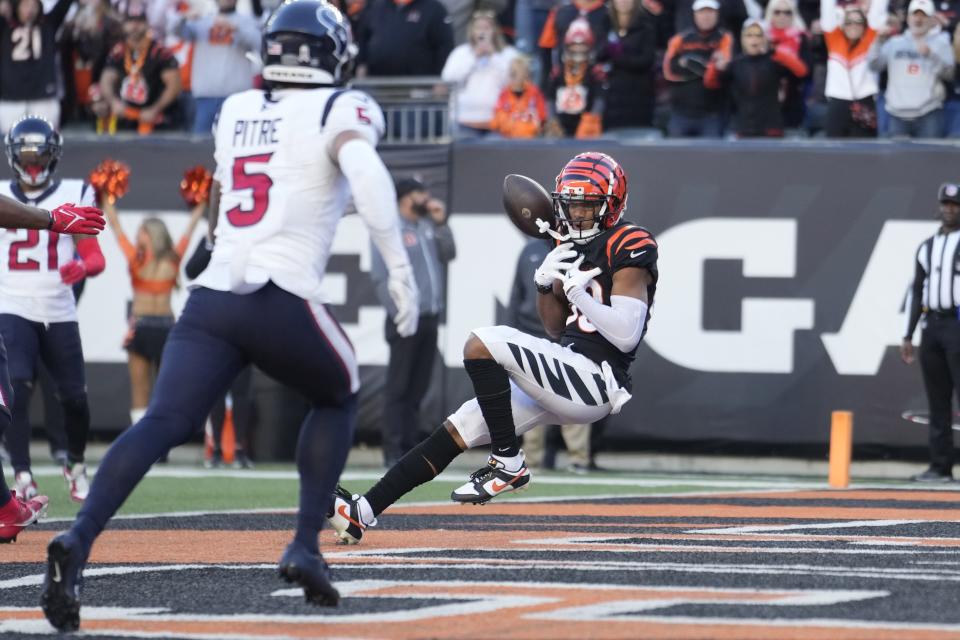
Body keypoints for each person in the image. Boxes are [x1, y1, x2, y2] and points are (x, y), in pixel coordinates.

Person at [41, 1, 419, 630]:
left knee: (163, 421)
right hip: (281, 294)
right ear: (329, 54)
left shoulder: (238, 109)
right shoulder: (339, 108)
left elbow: (247, 194)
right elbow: (367, 175)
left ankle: (78, 540)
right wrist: (398, 269)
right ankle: (304, 543)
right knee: (340, 393)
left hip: (214, 298)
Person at [328, 151, 657, 544]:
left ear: (611, 206)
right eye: (570, 205)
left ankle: (508, 461)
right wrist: (545, 284)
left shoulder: (630, 242)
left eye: (586, 206)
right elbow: (554, 327)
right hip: (569, 368)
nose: (576, 215)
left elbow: (626, 334)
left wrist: (579, 295)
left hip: (597, 380)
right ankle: (363, 511)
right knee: (461, 425)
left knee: (483, 342)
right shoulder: (565, 241)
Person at [0, 116, 105, 504]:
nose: (32, 166)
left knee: (75, 398)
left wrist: (82, 266)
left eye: (39, 157)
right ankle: (23, 474)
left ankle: (75, 464)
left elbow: (95, 256)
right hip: (11, 303)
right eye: (25, 157)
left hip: (59, 307)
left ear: (53, 156)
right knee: (18, 390)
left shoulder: (78, 191)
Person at [371, 177, 455, 467]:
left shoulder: (426, 226)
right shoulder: (390, 229)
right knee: (399, 388)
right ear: (406, 197)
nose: (427, 197)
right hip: (405, 318)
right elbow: (380, 278)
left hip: (429, 316)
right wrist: (400, 313)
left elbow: (449, 254)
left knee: (418, 387)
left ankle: (408, 447)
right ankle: (392, 448)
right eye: (421, 192)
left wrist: (442, 224)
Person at [102, 195, 204, 431]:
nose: (138, 235)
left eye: (142, 232)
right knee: (140, 387)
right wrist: (107, 199)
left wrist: (201, 205)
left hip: (166, 328)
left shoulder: (173, 258)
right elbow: (116, 229)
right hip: (143, 327)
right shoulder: (136, 259)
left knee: (166, 389)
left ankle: (161, 440)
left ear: (152, 235)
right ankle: (140, 436)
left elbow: (189, 230)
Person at [507, 237, 591, 472]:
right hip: (531, 333)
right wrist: (511, 332)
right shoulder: (531, 249)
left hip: (566, 334)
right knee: (531, 398)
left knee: (575, 394)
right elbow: (517, 294)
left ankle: (578, 458)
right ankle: (532, 460)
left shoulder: (579, 249)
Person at [901, 182, 960, 483]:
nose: (949, 209)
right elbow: (917, 291)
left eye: (955, 205)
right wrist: (908, 335)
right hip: (933, 326)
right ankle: (940, 466)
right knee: (938, 401)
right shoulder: (927, 247)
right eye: (946, 204)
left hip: (958, 323)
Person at [168, 0, 261, 134]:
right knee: (200, 148)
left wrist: (236, 29)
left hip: (236, 98)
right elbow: (173, 30)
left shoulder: (247, 21)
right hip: (205, 97)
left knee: (234, 143)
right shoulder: (202, 21)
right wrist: (184, 17)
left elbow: (260, 44)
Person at [704, 19, 808, 137]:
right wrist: (714, 66)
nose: (754, 40)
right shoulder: (735, 64)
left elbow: (802, 71)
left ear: (765, 39)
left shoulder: (774, 61)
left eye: (758, 35)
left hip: (771, 129)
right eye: (749, 35)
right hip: (742, 129)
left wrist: (775, 50)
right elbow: (710, 83)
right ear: (743, 39)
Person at [93, 1, 182, 135]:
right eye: (130, 21)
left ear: (147, 24)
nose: (134, 26)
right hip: (127, 118)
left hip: (155, 121)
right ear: (123, 25)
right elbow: (107, 78)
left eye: (139, 21)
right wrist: (113, 102)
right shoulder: (118, 52)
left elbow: (174, 85)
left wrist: (155, 109)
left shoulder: (160, 52)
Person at [869, 0, 955, 138]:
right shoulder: (894, 42)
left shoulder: (941, 42)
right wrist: (878, 41)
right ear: (908, 18)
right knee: (898, 160)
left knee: (930, 159)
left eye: (923, 15)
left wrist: (931, 55)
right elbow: (873, 66)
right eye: (915, 15)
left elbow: (950, 75)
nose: (918, 19)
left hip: (929, 113)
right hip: (897, 115)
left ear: (932, 20)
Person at [0, 0, 77, 131]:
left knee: (44, 144)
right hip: (10, 98)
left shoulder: (48, 25)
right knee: (12, 144)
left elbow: (63, 5)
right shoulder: (4, 27)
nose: (29, 10)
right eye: (25, 5)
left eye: (33, 6)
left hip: (43, 97)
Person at [441, 10, 518, 138]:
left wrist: (494, 56)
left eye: (487, 28)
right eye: (478, 28)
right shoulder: (460, 53)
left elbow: (514, 83)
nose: (482, 32)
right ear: (472, 31)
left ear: (495, 30)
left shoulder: (509, 54)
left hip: (499, 124)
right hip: (463, 122)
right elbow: (449, 81)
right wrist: (474, 57)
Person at [663, 0, 734, 138]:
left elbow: (723, 72)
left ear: (717, 14)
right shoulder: (680, 39)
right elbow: (669, 71)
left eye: (710, 12)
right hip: (681, 113)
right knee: (674, 158)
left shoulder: (725, 38)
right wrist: (707, 65)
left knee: (711, 158)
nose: (706, 16)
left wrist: (688, 62)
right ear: (695, 14)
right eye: (702, 12)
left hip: (712, 115)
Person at [820, 0, 886, 137]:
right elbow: (827, 8)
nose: (853, 26)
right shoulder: (834, 39)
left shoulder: (870, 39)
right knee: (833, 150)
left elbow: (879, 8)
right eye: (849, 22)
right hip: (838, 103)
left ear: (864, 25)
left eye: (858, 22)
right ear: (843, 25)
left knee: (865, 152)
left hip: (865, 102)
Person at [490, 54, 548, 138]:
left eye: (517, 71)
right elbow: (496, 122)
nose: (513, 74)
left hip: (531, 140)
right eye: (512, 71)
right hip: (508, 141)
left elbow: (542, 117)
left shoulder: (534, 93)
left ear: (525, 74)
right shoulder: (504, 94)